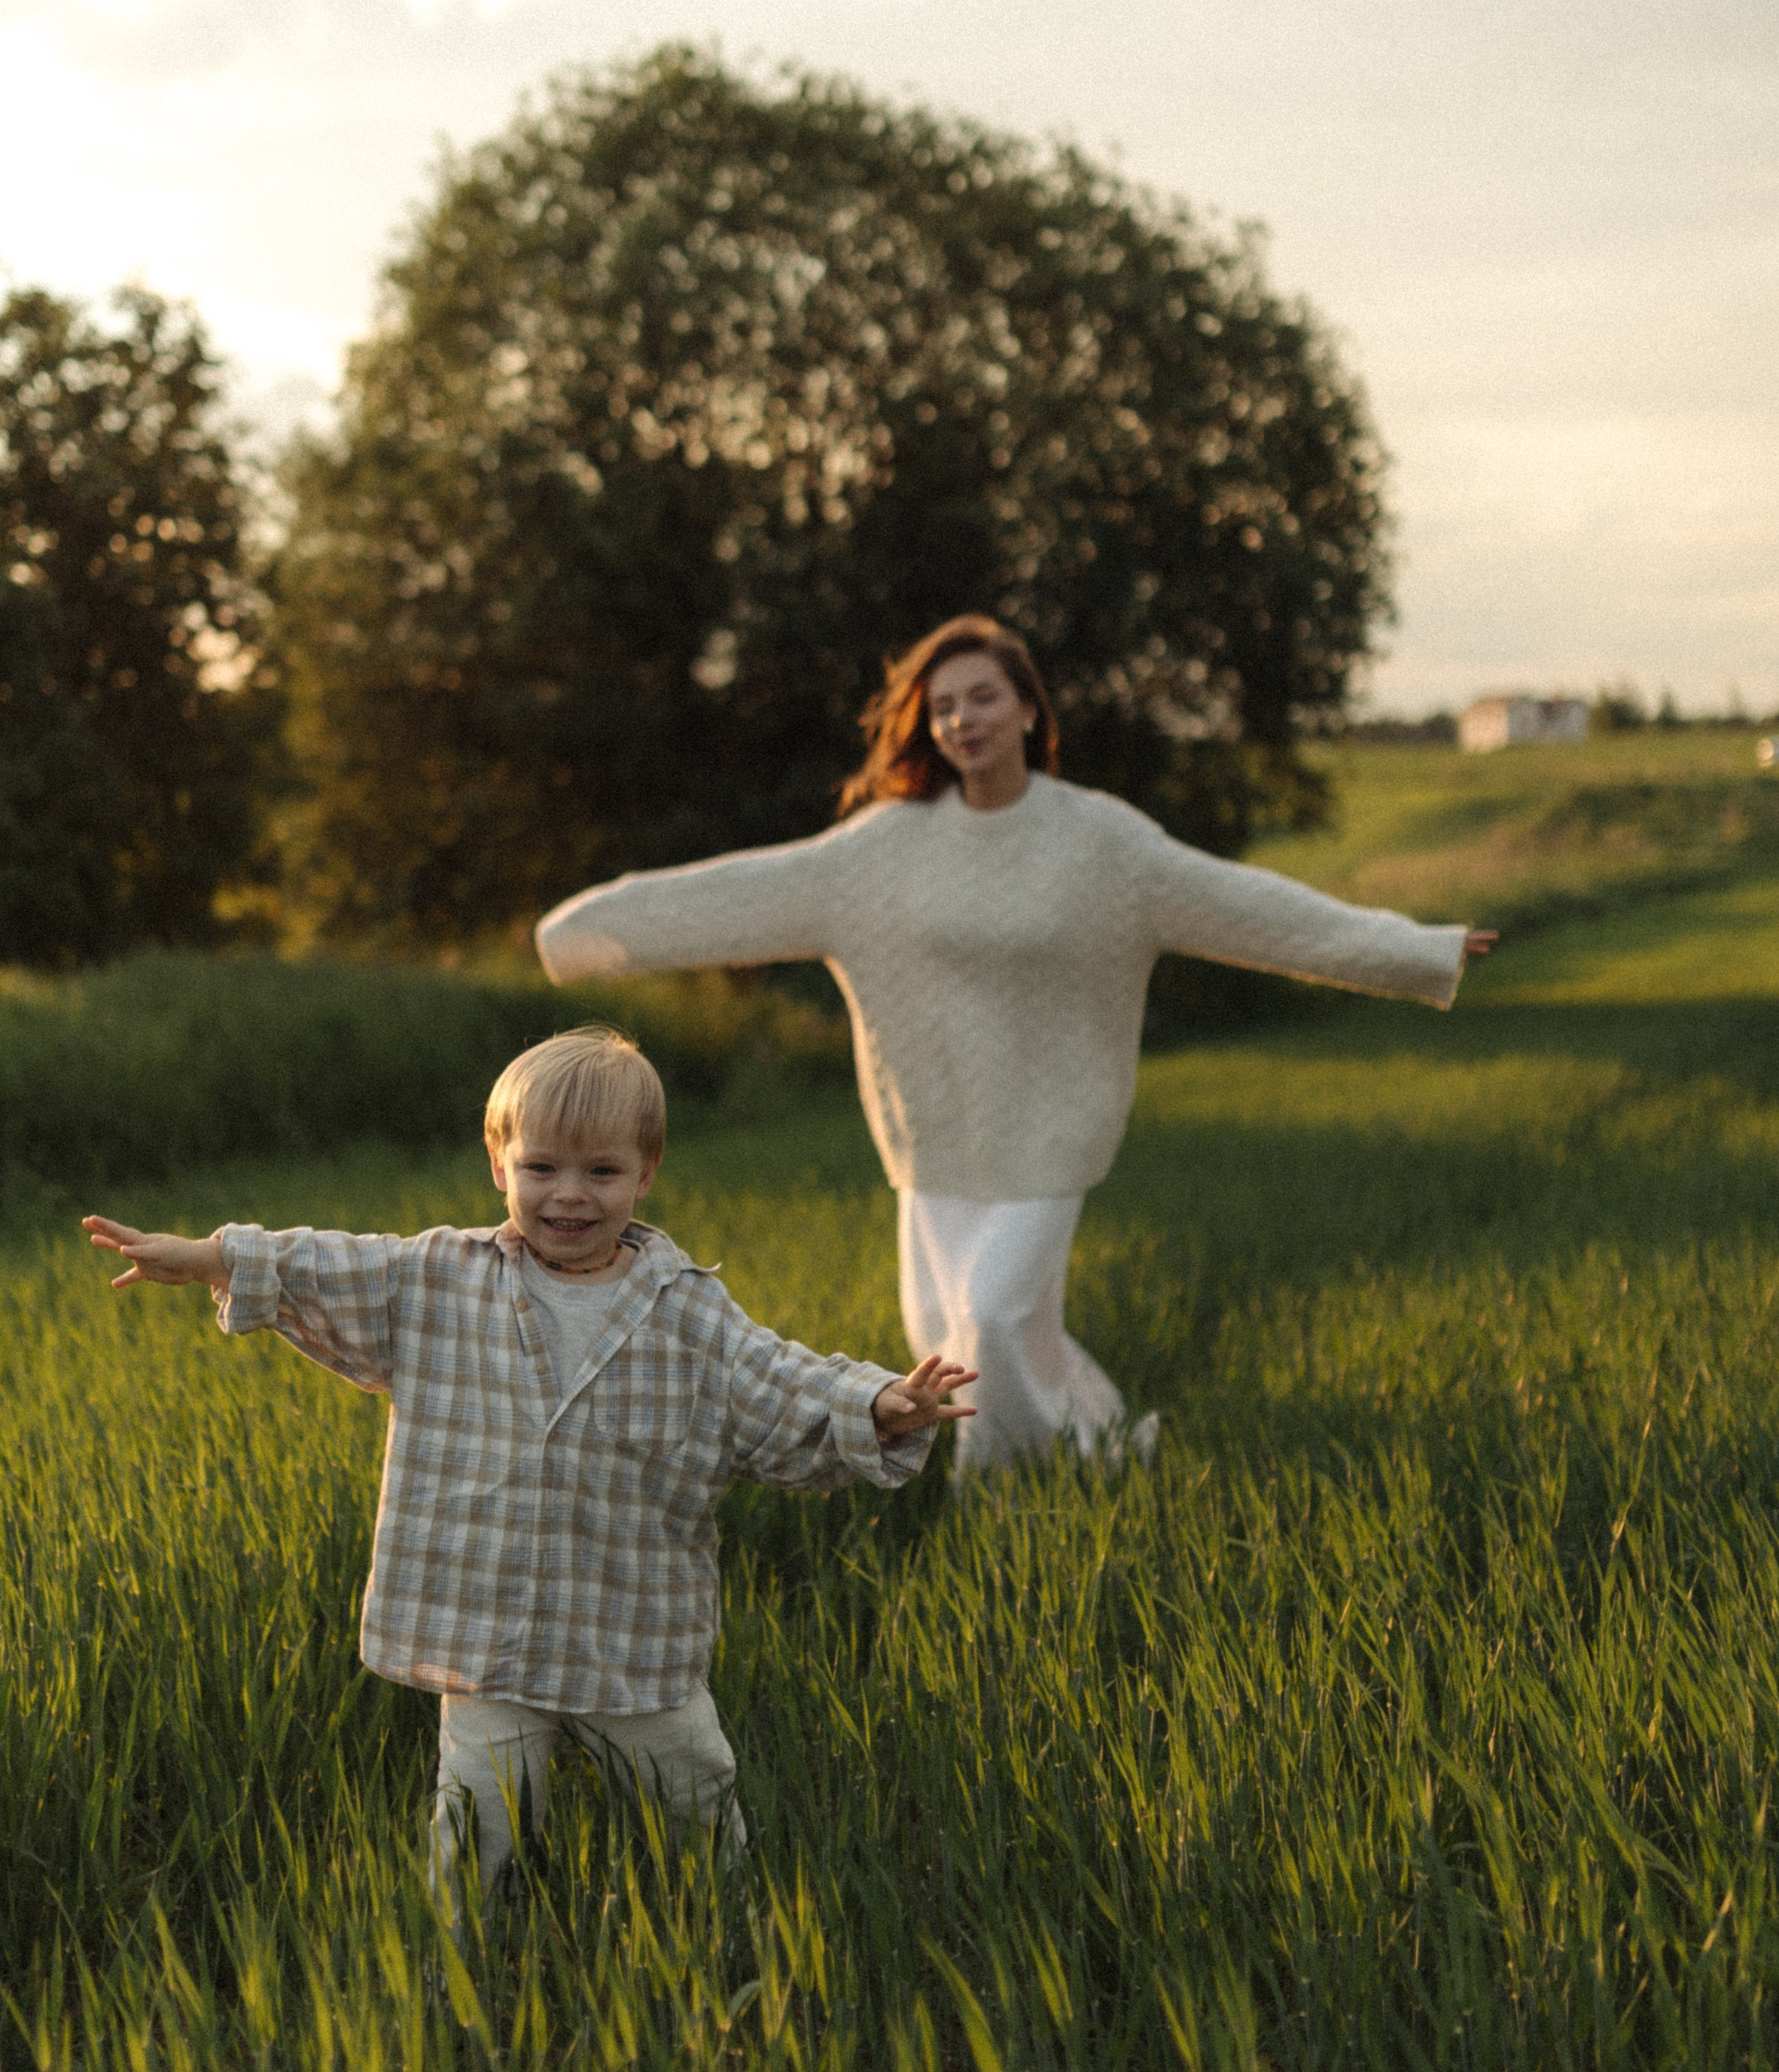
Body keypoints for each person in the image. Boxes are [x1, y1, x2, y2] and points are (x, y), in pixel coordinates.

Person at [536, 617, 1496, 1476]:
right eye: (943, 705)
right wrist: (583, 936)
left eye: (983, 697)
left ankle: (994, 1501)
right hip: (936, 1138)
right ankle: (1097, 1448)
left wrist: (1413, 950)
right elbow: (738, 893)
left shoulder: (1101, 843)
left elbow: (1253, 909)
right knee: (967, 1335)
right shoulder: (883, 849)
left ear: (1030, 710)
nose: (963, 719)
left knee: (990, 1319)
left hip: (1051, 1137)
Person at [82, 1025, 973, 1912]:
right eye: (542, 1168)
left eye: (602, 1172)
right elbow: (330, 1265)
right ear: (499, 1162)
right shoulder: (439, 1281)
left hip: (630, 1631)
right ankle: (457, 1968)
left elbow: (782, 1378)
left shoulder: (689, 1312)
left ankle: (723, 1931)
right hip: (487, 1636)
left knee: (692, 1797)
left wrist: (877, 1402)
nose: (570, 1197)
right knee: (475, 1820)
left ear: (647, 1171)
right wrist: (210, 1258)